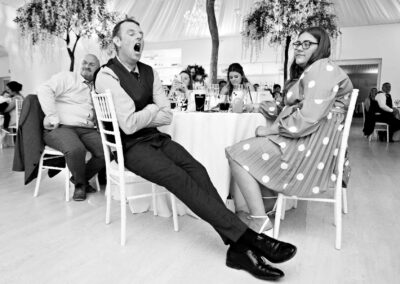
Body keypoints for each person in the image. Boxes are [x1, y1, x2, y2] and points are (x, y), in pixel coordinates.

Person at [95, 18, 296, 281]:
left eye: (141, 34)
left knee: (197, 170)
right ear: (117, 41)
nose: (139, 38)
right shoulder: (106, 75)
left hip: (156, 139)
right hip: (130, 147)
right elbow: (129, 125)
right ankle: (252, 240)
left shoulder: (149, 71)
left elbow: (166, 116)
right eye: (132, 33)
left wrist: (149, 112)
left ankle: (237, 249)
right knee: (178, 178)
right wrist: (153, 110)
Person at [226, 26, 353, 233]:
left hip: (309, 149)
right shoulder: (316, 71)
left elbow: (308, 117)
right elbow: (291, 106)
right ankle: (264, 208)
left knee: (236, 153)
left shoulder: (322, 69)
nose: (299, 49)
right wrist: (258, 107)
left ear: (320, 47)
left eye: (307, 44)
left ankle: (259, 219)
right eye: (297, 44)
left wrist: (271, 131)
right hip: (310, 142)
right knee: (249, 149)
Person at [37, 54, 105, 201]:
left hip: (87, 129)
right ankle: (80, 186)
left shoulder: (98, 87)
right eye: (85, 62)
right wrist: (52, 116)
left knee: (107, 151)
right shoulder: (68, 78)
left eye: (92, 64)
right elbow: (44, 89)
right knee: (75, 149)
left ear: (98, 69)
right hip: (61, 127)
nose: (87, 66)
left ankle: (78, 178)